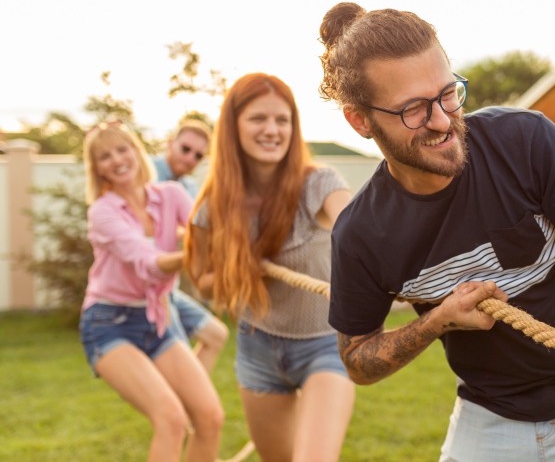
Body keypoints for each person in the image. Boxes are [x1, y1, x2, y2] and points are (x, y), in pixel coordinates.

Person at [319, 2, 555, 461]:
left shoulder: (526, 142)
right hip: (487, 413)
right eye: (414, 110)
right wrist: (437, 320)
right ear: (360, 120)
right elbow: (358, 358)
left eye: (447, 94)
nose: (442, 120)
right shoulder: (361, 233)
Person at [185, 73, 355, 462]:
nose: (272, 130)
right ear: (233, 126)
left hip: (325, 346)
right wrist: (239, 271)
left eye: (283, 120)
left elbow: (357, 229)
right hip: (257, 346)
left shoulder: (319, 183)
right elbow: (203, 282)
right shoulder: (214, 204)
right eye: (258, 118)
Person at [79, 122, 223, 462]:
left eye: (122, 149)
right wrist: (196, 254)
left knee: (210, 418)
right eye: (104, 156)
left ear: (136, 151)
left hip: (154, 317)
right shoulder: (103, 212)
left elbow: (203, 231)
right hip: (109, 323)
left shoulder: (171, 194)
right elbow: (148, 263)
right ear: (96, 168)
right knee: (171, 420)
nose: (116, 160)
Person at [151, 120, 229, 374]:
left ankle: (186, 402)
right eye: (185, 149)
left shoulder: (189, 187)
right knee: (180, 362)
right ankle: (185, 402)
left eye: (198, 155)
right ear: (169, 144)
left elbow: (194, 231)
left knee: (216, 335)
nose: (190, 158)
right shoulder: (145, 172)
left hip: (169, 287)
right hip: (146, 292)